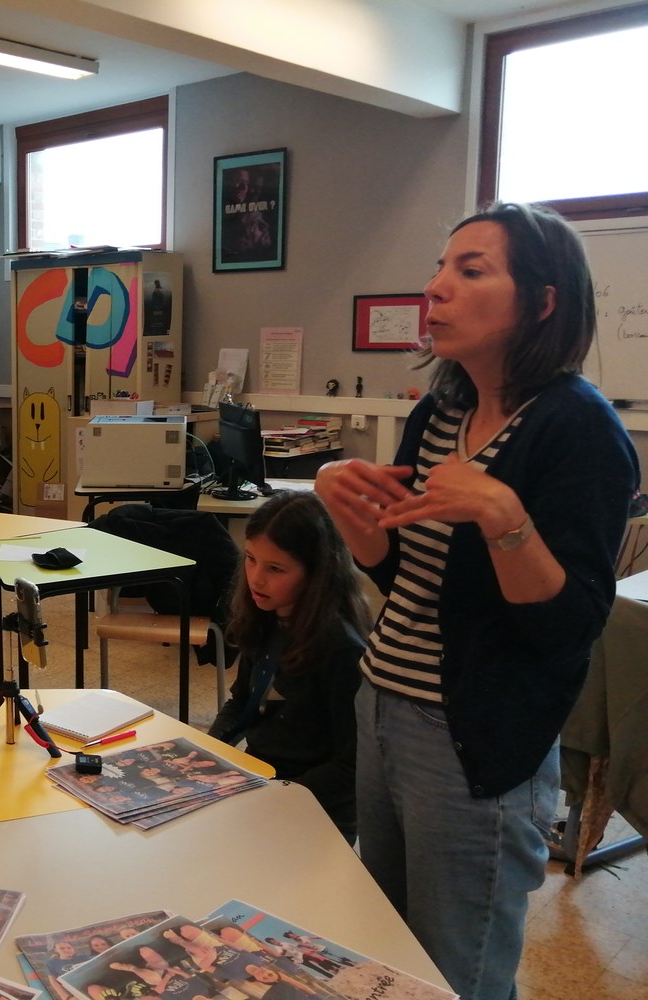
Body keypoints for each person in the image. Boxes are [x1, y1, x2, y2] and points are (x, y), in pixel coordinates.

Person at [314, 202, 639, 1000]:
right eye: (438, 267)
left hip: (472, 739)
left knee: (457, 970)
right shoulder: (441, 410)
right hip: (382, 703)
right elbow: (408, 576)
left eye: (469, 270)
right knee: (387, 953)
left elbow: (568, 628)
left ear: (542, 300)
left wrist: (501, 514)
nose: (435, 288)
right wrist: (352, 517)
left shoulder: (579, 428)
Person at [207, 491, 370, 841]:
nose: (256, 579)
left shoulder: (343, 649)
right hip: (264, 780)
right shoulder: (267, 617)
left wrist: (273, 797)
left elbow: (352, 765)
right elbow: (242, 703)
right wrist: (208, 752)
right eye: (250, 559)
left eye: (275, 569)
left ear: (317, 574)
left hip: (315, 808)